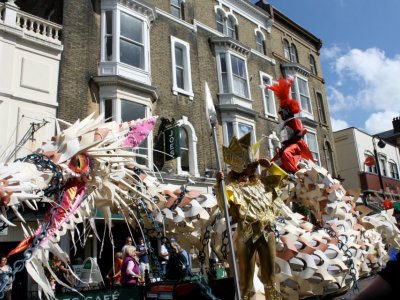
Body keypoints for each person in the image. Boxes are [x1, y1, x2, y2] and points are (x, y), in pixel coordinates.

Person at [216, 132, 282, 299]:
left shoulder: (262, 183)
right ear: (241, 167)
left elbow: (282, 181)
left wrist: (270, 166)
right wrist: (219, 184)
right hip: (246, 233)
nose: (254, 167)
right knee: (245, 280)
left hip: (267, 232)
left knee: (270, 277)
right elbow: (224, 204)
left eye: (254, 164)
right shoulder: (232, 186)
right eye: (251, 164)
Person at [266, 77, 314, 174]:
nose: (280, 114)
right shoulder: (285, 124)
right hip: (288, 145)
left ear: (287, 111)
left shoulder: (294, 121)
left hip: (296, 145)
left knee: (286, 154)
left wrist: (286, 143)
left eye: (281, 112)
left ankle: (294, 173)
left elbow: (298, 135)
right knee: (272, 162)